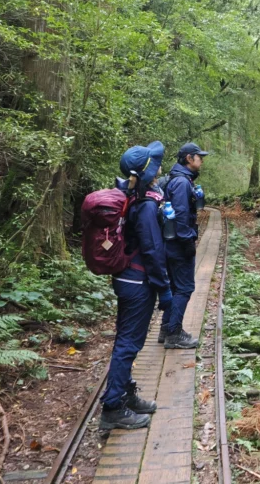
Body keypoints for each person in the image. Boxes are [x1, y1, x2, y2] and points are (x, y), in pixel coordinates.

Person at [99, 141, 174, 431]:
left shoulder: (134, 194)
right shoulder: (144, 204)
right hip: (137, 281)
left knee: (127, 340)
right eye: (155, 166)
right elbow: (153, 250)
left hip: (128, 278)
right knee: (129, 343)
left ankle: (125, 394)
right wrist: (164, 288)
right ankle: (113, 406)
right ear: (149, 172)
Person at [157, 142, 208, 349]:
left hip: (172, 243)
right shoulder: (181, 183)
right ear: (189, 158)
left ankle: (166, 328)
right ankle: (174, 333)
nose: (201, 160)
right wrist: (187, 241)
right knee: (185, 287)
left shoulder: (180, 179)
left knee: (175, 286)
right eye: (199, 157)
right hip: (178, 244)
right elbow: (180, 215)